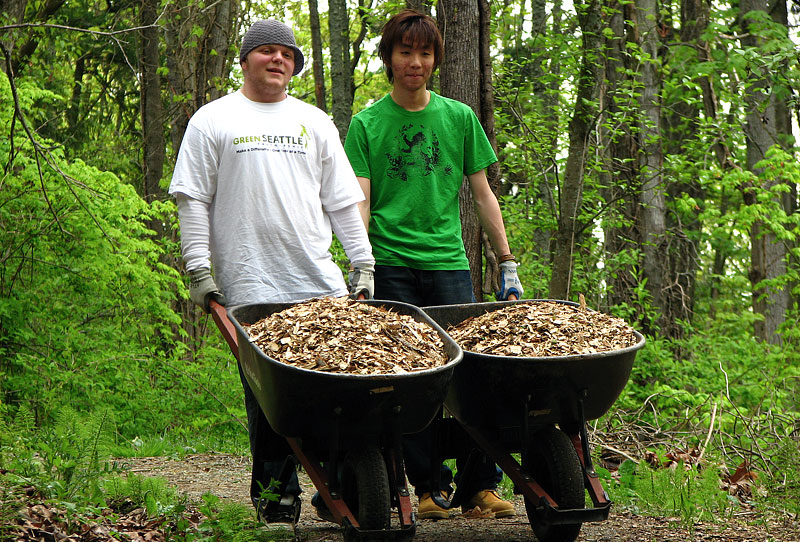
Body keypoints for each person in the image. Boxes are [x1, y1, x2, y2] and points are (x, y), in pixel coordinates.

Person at [168, 19, 375, 523]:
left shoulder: (316, 121)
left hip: (318, 283)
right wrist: (199, 270)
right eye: (266, 51)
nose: (278, 59)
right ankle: (275, 496)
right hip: (250, 284)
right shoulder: (214, 119)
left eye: (287, 53)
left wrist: (362, 263)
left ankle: (344, 487)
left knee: (339, 389)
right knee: (269, 400)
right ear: (245, 61)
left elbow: (344, 202)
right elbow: (192, 198)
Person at [343, 9, 523, 520]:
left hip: (448, 264)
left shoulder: (459, 117)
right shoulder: (367, 124)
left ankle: (479, 489)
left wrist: (505, 259)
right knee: (405, 379)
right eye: (405, 52)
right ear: (389, 58)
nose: (415, 62)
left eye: (424, 52)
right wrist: (362, 262)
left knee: (468, 376)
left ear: (436, 58)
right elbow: (361, 197)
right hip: (392, 265)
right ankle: (425, 489)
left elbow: (483, 193)